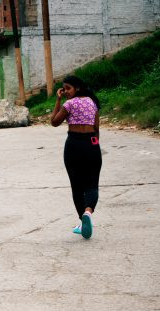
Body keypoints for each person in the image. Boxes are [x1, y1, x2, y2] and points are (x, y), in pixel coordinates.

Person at [50, 75, 102, 239]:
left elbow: (54, 122)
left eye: (67, 88)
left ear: (77, 88)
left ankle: (83, 220)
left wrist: (57, 101)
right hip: (92, 144)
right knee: (92, 184)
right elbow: (96, 128)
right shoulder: (92, 103)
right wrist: (94, 147)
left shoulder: (69, 104)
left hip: (73, 145)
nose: (65, 92)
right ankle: (88, 213)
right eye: (63, 89)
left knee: (77, 187)